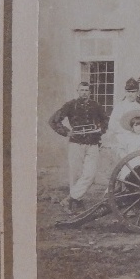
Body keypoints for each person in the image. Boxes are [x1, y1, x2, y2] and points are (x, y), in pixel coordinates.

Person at [49, 82, 109, 213]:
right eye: (82, 90)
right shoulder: (70, 105)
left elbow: (105, 120)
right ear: (77, 91)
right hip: (76, 143)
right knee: (75, 175)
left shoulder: (96, 105)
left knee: (90, 175)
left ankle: (69, 199)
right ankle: (76, 204)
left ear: (90, 92)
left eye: (87, 90)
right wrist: (66, 132)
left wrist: (100, 130)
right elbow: (53, 120)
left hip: (93, 143)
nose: (84, 92)